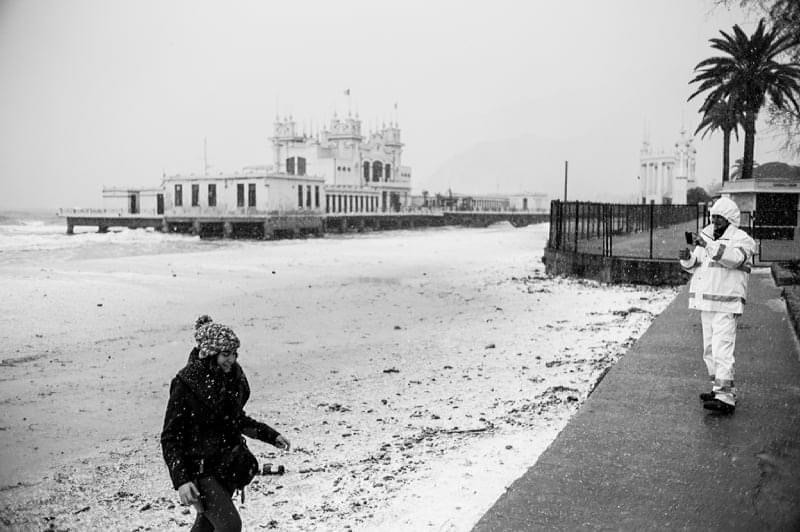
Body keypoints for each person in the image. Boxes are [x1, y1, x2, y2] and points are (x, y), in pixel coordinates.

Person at [161, 317, 291, 531]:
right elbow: (170, 438)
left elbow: (236, 420)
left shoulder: (232, 379)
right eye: (226, 354)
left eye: (234, 353)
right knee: (230, 526)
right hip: (200, 472)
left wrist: (270, 435)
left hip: (228, 466)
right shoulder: (186, 385)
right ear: (210, 353)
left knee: (206, 526)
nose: (231, 359)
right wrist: (182, 480)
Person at [679, 197, 756, 414]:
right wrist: (686, 259)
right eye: (713, 218)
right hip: (707, 302)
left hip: (727, 303)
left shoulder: (743, 240)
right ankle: (718, 388)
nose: (714, 222)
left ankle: (726, 398)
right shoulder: (706, 235)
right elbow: (697, 265)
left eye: (719, 219)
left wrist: (707, 244)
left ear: (730, 220)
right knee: (709, 349)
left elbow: (733, 259)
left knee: (722, 348)